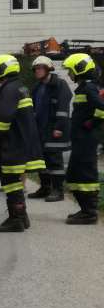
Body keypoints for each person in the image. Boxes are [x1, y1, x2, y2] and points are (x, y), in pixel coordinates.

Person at [0, 54, 45, 232]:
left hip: (13, 143)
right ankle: (22, 217)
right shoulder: (19, 87)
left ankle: (16, 219)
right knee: (14, 181)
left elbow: (4, 118)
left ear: (2, 69)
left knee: (11, 181)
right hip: (21, 141)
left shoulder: (9, 89)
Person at [61, 53, 103, 224]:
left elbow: (102, 109)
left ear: (80, 70)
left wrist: (91, 124)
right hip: (80, 140)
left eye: (71, 70)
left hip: (86, 140)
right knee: (74, 174)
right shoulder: (84, 88)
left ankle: (90, 213)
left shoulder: (89, 88)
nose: (69, 74)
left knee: (85, 174)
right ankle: (85, 210)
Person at [28, 55, 72, 202]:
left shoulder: (60, 85)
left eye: (40, 68)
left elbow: (63, 109)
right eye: (36, 69)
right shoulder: (37, 87)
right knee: (42, 161)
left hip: (54, 130)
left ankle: (58, 191)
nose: (37, 71)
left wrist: (59, 127)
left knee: (55, 161)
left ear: (48, 69)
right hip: (40, 130)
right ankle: (45, 188)